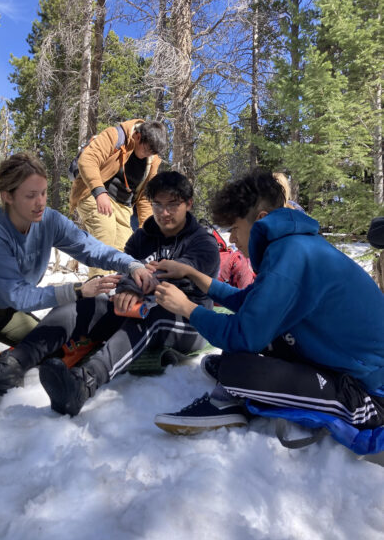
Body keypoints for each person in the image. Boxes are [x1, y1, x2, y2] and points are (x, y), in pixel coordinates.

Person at [0, 171, 220, 418]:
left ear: (189, 204)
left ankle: (84, 383)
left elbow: (186, 273)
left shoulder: (202, 242)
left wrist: (140, 283)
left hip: (187, 318)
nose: (164, 212)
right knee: (85, 304)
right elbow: (128, 273)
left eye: (173, 204)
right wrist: (127, 288)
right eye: (158, 205)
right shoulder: (141, 237)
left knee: (153, 316)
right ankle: (10, 367)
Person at [151, 169, 384, 438]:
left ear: (261, 220)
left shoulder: (291, 256)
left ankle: (355, 405)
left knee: (238, 369)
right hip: (344, 359)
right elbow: (250, 304)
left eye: (235, 229)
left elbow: (244, 334)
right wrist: (192, 274)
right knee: (243, 350)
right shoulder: (292, 246)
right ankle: (238, 385)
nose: (232, 240)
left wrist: (188, 308)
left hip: (368, 386)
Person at [0, 152, 153, 426]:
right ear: (8, 196)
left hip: (4, 312)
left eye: (43, 193)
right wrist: (77, 290)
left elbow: (90, 248)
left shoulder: (49, 221)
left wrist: (131, 265)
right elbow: (18, 295)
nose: (40, 203)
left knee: (54, 350)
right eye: (30, 196)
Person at [70, 119, 168, 277]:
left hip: (124, 205)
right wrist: (99, 191)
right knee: (105, 234)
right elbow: (87, 160)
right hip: (93, 193)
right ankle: (97, 294)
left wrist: (145, 227)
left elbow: (145, 196)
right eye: (146, 150)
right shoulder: (115, 135)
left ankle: (114, 293)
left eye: (152, 152)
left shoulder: (152, 161)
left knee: (126, 251)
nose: (148, 155)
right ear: (137, 136)